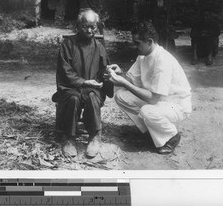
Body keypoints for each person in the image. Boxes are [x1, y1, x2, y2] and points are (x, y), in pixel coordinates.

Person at [106, 21, 192, 154]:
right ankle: (151, 132)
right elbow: (132, 80)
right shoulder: (143, 56)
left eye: (137, 43)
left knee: (147, 110)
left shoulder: (162, 60)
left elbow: (153, 99)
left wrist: (124, 83)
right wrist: (119, 73)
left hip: (177, 105)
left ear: (149, 41)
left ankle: (171, 137)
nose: (135, 46)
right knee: (121, 96)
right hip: (160, 102)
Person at [55, 8, 113, 159]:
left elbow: (103, 70)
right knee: (73, 98)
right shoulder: (68, 45)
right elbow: (65, 72)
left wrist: (106, 75)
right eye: (85, 26)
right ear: (78, 26)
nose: (89, 30)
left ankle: (95, 137)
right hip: (71, 88)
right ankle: (69, 138)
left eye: (93, 27)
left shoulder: (99, 47)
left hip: (92, 89)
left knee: (93, 97)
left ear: (97, 27)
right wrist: (84, 82)